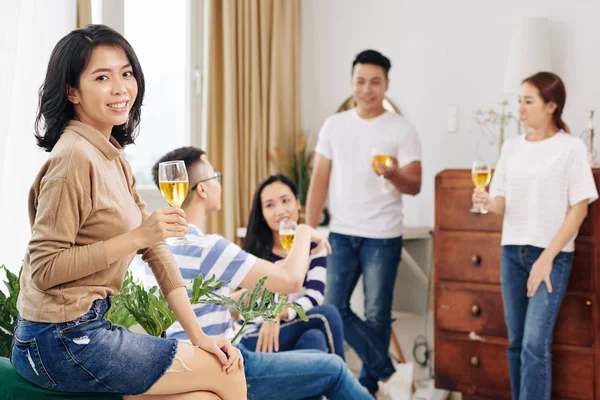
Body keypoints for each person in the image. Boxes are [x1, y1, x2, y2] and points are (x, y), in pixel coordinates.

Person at [11, 24, 245, 400]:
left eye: (126, 73)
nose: (121, 88)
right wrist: (137, 237)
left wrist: (198, 335)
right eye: (102, 77)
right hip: (60, 340)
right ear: (72, 91)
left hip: (80, 332)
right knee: (227, 372)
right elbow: (44, 269)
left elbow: (155, 248)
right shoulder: (73, 159)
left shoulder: (111, 155)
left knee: (202, 393)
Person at [149, 146, 373, 400]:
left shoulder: (161, 245)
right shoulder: (208, 246)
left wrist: (244, 301)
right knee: (334, 369)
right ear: (202, 189)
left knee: (314, 342)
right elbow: (292, 281)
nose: (220, 185)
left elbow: (197, 306)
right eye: (216, 177)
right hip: (224, 362)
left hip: (188, 357)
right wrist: (303, 231)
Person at [473, 71, 598, 400]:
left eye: (528, 101)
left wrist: (546, 259)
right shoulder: (512, 148)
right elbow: (501, 203)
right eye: (519, 101)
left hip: (552, 257)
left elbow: (579, 210)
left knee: (533, 343)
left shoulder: (571, 148)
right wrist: (488, 202)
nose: (521, 108)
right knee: (516, 342)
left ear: (551, 106)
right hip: (512, 254)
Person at [305, 49, 422, 396]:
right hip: (341, 233)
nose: (367, 89)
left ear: (386, 84)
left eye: (374, 82)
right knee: (332, 307)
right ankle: (388, 371)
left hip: (383, 236)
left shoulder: (401, 128)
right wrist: (308, 230)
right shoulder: (335, 125)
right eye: (360, 81)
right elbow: (319, 182)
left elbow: (414, 184)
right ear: (351, 83)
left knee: (377, 316)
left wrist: (393, 174)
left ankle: (367, 387)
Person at [238, 174, 344, 358]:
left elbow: (314, 297)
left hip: (292, 327)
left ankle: (322, 386)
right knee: (329, 314)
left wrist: (278, 314)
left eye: (285, 201)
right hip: (255, 336)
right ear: (262, 214)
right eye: (270, 205)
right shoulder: (251, 254)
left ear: (297, 203)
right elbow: (246, 308)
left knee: (315, 337)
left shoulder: (313, 248)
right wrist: (271, 316)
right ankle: (345, 383)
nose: (280, 210)